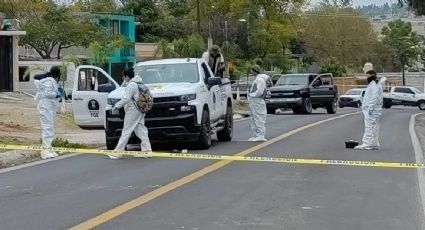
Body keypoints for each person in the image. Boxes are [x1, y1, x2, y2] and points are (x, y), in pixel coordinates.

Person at [108, 68, 152, 159]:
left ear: (127, 76)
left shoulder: (132, 85)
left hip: (133, 111)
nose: (122, 78)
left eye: (123, 76)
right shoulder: (139, 83)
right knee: (141, 130)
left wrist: (116, 106)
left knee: (126, 131)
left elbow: (126, 98)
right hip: (141, 110)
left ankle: (117, 153)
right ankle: (147, 151)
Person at [35, 66, 62, 159]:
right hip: (45, 107)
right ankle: (45, 150)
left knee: (50, 127)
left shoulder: (46, 81)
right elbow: (47, 93)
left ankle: (49, 147)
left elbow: (36, 78)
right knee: (47, 127)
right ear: (58, 75)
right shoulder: (49, 82)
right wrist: (56, 94)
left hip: (48, 107)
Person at [355, 70, 386, 150]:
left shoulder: (374, 85)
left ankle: (367, 143)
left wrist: (370, 107)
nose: (366, 78)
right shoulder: (374, 84)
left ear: (372, 76)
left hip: (372, 110)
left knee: (370, 126)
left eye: (367, 76)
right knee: (374, 126)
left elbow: (374, 96)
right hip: (374, 109)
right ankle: (374, 143)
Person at [248, 65, 269, 142]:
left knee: (259, 117)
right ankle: (256, 135)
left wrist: (251, 95)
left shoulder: (260, 80)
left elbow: (259, 91)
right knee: (254, 118)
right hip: (254, 101)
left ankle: (260, 135)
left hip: (258, 101)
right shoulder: (257, 79)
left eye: (252, 70)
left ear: (254, 71)